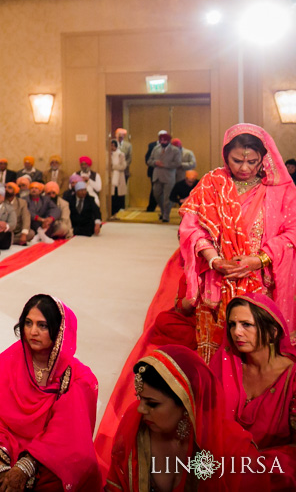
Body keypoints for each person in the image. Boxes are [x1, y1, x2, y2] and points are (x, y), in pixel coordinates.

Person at [95, 124, 296, 471]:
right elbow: (190, 227)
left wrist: (258, 258)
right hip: (216, 290)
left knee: (252, 356)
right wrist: (211, 257)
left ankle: (249, 434)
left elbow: (292, 233)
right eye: (237, 160)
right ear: (225, 155)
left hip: (259, 291)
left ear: (264, 158)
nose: (245, 167)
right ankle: (211, 436)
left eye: (252, 160)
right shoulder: (213, 183)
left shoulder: (279, 190)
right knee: (214, 364)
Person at [0, 296, 101, 491]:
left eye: (43, 326)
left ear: (59, 330)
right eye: (28, 323)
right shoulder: (8, 361)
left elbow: (67, 433)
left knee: (64, 476)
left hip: (47, 455)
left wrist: (26, 465)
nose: (33, 332)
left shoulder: (79, 378)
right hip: (4, 444)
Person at [106, 345, 263, 491]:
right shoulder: (136, 427)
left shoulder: (235, 452)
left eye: (153, 404)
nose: (141, 409)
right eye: (140, 398)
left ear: (187, 405)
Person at [210, 294, 296, 489]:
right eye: (232, 324)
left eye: (246, 325)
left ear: (273, 332)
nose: (236, 332)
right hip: (224, 464)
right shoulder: (225, 364)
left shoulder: (291, 377)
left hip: (274, 471)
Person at [148, 131, 182, 223]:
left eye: (165, 140)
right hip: (157, 176)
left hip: (169, 177)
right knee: (157, 195)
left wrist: (164, 164)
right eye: (161, 140)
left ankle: (166, 216)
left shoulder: (175, 150)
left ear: (168, 141)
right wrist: (155, 162)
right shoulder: (156, 149)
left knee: (167, 198)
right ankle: (163, 212)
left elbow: (177, 163)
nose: (163, 142)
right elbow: (149, 161)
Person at [5, 181, 31, 246]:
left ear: (15, 191)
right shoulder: (1, 200)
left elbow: (26, 218)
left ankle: (8, 241)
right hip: (5, 230)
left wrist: (24, 234)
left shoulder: (22, 202)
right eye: (5, 187)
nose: (6, 189)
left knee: (31, 233)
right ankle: (9, 240)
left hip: (17, 230)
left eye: (9, 188)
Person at [109, 139, 128, 215]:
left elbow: (123, 166)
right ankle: (112, 212)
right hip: (111, 177)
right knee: (112, 195)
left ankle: (118, 210)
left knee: (118, 194)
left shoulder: (121, 154)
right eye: (111, 145)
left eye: (113, 145)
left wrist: (113, 167)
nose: (112, 147)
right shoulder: (108, 154)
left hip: (119, 177)